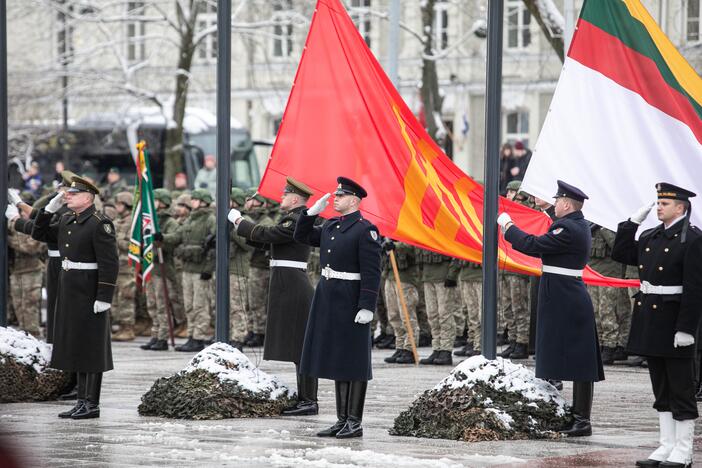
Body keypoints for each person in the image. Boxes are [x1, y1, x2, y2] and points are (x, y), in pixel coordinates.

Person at [498, 180, 604, 437]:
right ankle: (574, 415)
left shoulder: (568, 228)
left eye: (557, 200)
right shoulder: (573, 224)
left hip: (565, 295)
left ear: (567, 204)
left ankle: (581, 419)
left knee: (580, 359)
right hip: (562, 292)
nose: (555, 203)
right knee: (561, 353)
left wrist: (508, 226)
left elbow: (533, 246)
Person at [612, 183, 702, 468]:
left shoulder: (692, 240)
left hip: (674, 321)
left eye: (665, 203)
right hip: (650, 320)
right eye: (659, 202)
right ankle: (666, 446)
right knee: (661, 388)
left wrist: (687, 328)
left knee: (681, 388)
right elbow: (622, 254)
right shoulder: (652, 235)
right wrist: (630, 224)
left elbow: (695, 288)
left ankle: (684, 450)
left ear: (681, 207)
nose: (659, 207)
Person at [294, 176, 382, 438]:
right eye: (335, 195)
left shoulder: (365, 230)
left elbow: (372, 272)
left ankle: (354, 421)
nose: (335, 198)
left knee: (354, 360)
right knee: (336, 359)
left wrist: (367, 305)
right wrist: (310, 213)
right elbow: (302, 236)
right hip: (328, 297)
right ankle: (341, 419)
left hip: (351, 298)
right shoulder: (332, 225)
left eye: (340, 196)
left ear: (354, 200)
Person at [31, 176, 119, 419]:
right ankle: (81, 400)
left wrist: (104, 295)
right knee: (77, 344)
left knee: (91, 346)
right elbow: (39, 233)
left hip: (89, 289)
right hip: (69, 288)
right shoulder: (68, 219)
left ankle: (92, 403)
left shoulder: (99, 223)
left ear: (88, 198)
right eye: (67, 193)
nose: (67, 196)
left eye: (73, 194)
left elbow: (110, 263)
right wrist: (49, 209)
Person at [229, 177, 318, 415]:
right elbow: (268, 242)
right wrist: (243, 229)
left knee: (301, 346)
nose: (281, 198)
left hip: (293, 284)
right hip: (286, 282)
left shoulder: (297, 219)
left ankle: (309, 400)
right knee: (296, 346)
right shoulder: (292, 218)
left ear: (295, 198)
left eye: (285, 194)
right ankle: (305, 398)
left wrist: (239, 220)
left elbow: (270, 234)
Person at [155, 188, 216, 352]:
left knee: (200, 305)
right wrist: (163, 237)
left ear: (203, 201)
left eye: (196, 199)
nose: (193, 201)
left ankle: (199, 337)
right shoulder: (190, 220)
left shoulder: (210, 219)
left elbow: (214, 247)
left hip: (201, 269)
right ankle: (191, 335)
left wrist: (209, 269)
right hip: (188, 268)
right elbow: (178, 236)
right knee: (189, 304)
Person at [142, 188, 181, 351]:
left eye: (156, 200)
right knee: (151, 303)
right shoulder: (151, 219)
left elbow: (176, 237)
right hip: (151, 266)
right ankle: (155, 334)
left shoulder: (169, 221)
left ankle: (163, 337)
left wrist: (162, 237)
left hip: (163, 266)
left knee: (162, 303)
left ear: (163, 202)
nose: (153, 203)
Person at [381, 239, 420, 365]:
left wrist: (396, 246)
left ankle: (409, 348)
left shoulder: (410, 224)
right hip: (390, 274)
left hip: (405, 277)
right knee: (393, 315)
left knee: (407, 315)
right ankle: (400, 346)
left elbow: (415, 245)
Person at [111, 191, 137, 341]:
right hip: (116, 265)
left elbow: (134, 245)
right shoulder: (116, 222)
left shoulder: (132, 222)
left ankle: (128, 328)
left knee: (126, 298)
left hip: (127, 266)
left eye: (119, 204)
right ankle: (120, 326)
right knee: (116, 299)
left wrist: (118, 239)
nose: (116, 207)